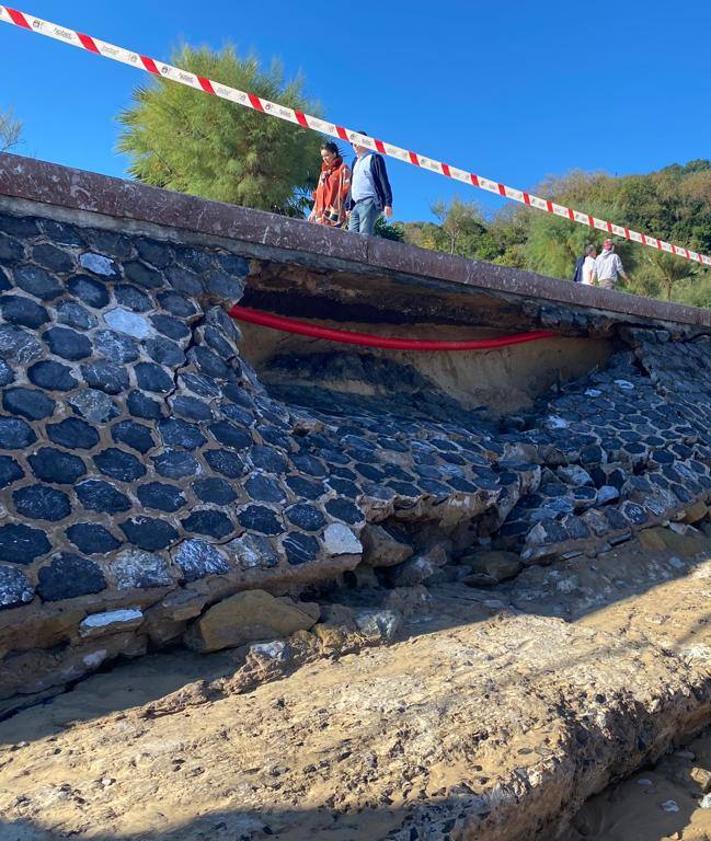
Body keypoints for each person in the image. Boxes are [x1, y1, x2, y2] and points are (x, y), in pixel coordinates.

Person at [346, 131, 393, 236]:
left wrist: (388, 203)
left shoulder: (374, 158)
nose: (354, 146)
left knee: (364, 234)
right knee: (350, 235)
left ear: (365, 142)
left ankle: (365, 253)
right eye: (352, 144)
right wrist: (349, 206)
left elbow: (383, 180)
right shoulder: (355, 162)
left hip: (369, 201)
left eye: (357, 143)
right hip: (357, 204)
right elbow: (352, 184)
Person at [308, 141, 351, 228]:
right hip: (320, 216)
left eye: (327, 155)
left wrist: (347, 209)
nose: (324, 158)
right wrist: (313, 212)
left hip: (335, 214)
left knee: (332, 237)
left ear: (334, 154)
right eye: (323, 156)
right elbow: (318, 195)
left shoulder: (343, 169)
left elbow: (347, 189)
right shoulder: (323, 173)